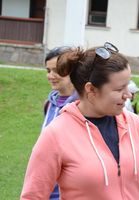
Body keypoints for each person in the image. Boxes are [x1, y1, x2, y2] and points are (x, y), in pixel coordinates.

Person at [21, 42, 139, 199]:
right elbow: (33, 196)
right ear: (91, 89)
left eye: (128, 86)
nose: (129, 95)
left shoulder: (134, 123)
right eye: (119, 89)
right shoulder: (56, 134)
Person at [43, 46, 78, 200]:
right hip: (45, 187)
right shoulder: (49, 104)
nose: (51, 76)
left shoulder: (83, 106)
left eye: (56, 70)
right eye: (48, 70)